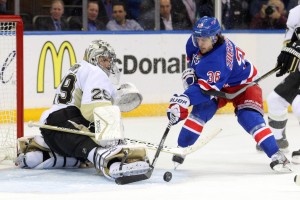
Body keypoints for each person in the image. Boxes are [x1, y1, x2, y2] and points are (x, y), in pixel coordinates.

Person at [167, 16, 292, 173]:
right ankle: (182, 147)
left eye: (204, 39)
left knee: (249, 118)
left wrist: (184, 99)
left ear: (215, 37)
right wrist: (191, 72)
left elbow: (205, 91)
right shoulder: (194, 43)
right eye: (198, 38)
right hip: (220, 83)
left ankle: (276, 154)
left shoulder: (218, 60)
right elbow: (194, 63)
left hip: (244, 85)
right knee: (200, 111)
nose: (200, 43)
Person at [15, 39, 150, 181]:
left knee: (84, 151)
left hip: (53, 130)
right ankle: (111, 162)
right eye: (103, 59)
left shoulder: (78, 67)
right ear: (93, 58)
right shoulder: (96, 72)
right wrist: (114, 141)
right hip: (65, 123)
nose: (107, 64)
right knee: (102, 143)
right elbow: (96, 111)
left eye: (109, 60)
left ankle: (45, 154)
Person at [260, 4, 300, 164]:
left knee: (298, 103)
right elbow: (290, 39)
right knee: (275, 100)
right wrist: (287, 54)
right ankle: (278, 140)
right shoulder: (295, 13)